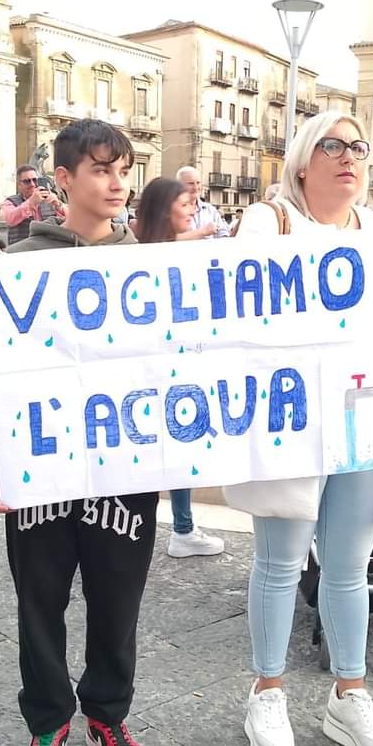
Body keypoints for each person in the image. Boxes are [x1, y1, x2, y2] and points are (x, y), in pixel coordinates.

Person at [225, 110, 373, 746]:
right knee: (280, 559)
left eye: (358, 147)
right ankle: (268, 691)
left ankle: (351, 692)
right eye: (332, 145)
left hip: (361, 410)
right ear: (304, 160)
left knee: (347, 566)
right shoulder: (267, 222)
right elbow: (239, 309)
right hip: (289, 413)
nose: (348, 157)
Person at [0, 119, 160, 746]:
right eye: (102, 170)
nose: (117, 184)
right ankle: (48, 722)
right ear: (63, 180)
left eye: (124, 170)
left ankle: (108, 718)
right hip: (43, 464)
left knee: (118, 603)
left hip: (127, 469)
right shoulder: (18, 267)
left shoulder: (153, 264)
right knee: (40, 603)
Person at [132, 177, 225, 559]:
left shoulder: (152, 248)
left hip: (176, 365)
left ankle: (181, 527)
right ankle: (178, 528)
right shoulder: (135, 252)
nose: (192, 209)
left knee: (180, 444)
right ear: (163, 208)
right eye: (186, 203)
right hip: (153, 370)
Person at [1, 165, 67, 244]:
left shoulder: (48, 199)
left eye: (35, 180)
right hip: (22, 250)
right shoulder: (10, 202)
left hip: (47, 248)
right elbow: (10, 219)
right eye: (27, 181)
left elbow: (72, 219)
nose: (32, 184)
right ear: (19, 185)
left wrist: (58, 205)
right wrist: (30, 202)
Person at [177, 165, 230, 237]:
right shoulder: (173, 212)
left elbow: (223, 232)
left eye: (198, 183)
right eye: (191, 183)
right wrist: (203, 232)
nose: (196, 187)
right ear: (179, 185)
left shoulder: (210, 210)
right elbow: (170, 239)